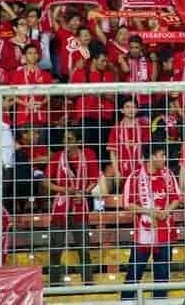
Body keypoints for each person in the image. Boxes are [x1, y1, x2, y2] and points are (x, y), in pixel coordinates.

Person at [121, 143, 181, 301]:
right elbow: (127, 204)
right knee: (133, 275)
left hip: (165, 235)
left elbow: (176, 198)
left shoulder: (168, 174)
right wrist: (149, 212)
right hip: (143, 236)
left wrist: (166, 212)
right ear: (151, 157)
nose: (164, 159)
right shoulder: (134, 177)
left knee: (162, 278)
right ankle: (126, 302)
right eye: (161, 155)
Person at [44, 128, 104, 285]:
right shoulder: (57, 157)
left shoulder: (89, 155)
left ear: (79, 142)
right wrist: (65, 190)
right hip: (60, 208)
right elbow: (45, 181)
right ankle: (54, 283)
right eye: (64, 139)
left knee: (83, 248)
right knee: (56, 248)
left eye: (70, 139)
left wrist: (83, 192)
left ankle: (88, 283)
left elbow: (94, 179)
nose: (66, 142)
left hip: (80, 207)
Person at [107, 98, 150, 188]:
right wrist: (116, 171)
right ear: (122, 110)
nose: (131, 110)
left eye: (133, 107)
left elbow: (148, 150)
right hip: (123, 169)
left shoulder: (144, 126)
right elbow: (113, 153)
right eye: (127, 107)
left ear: (137, 109)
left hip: (141, 169)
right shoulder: (116, 128)